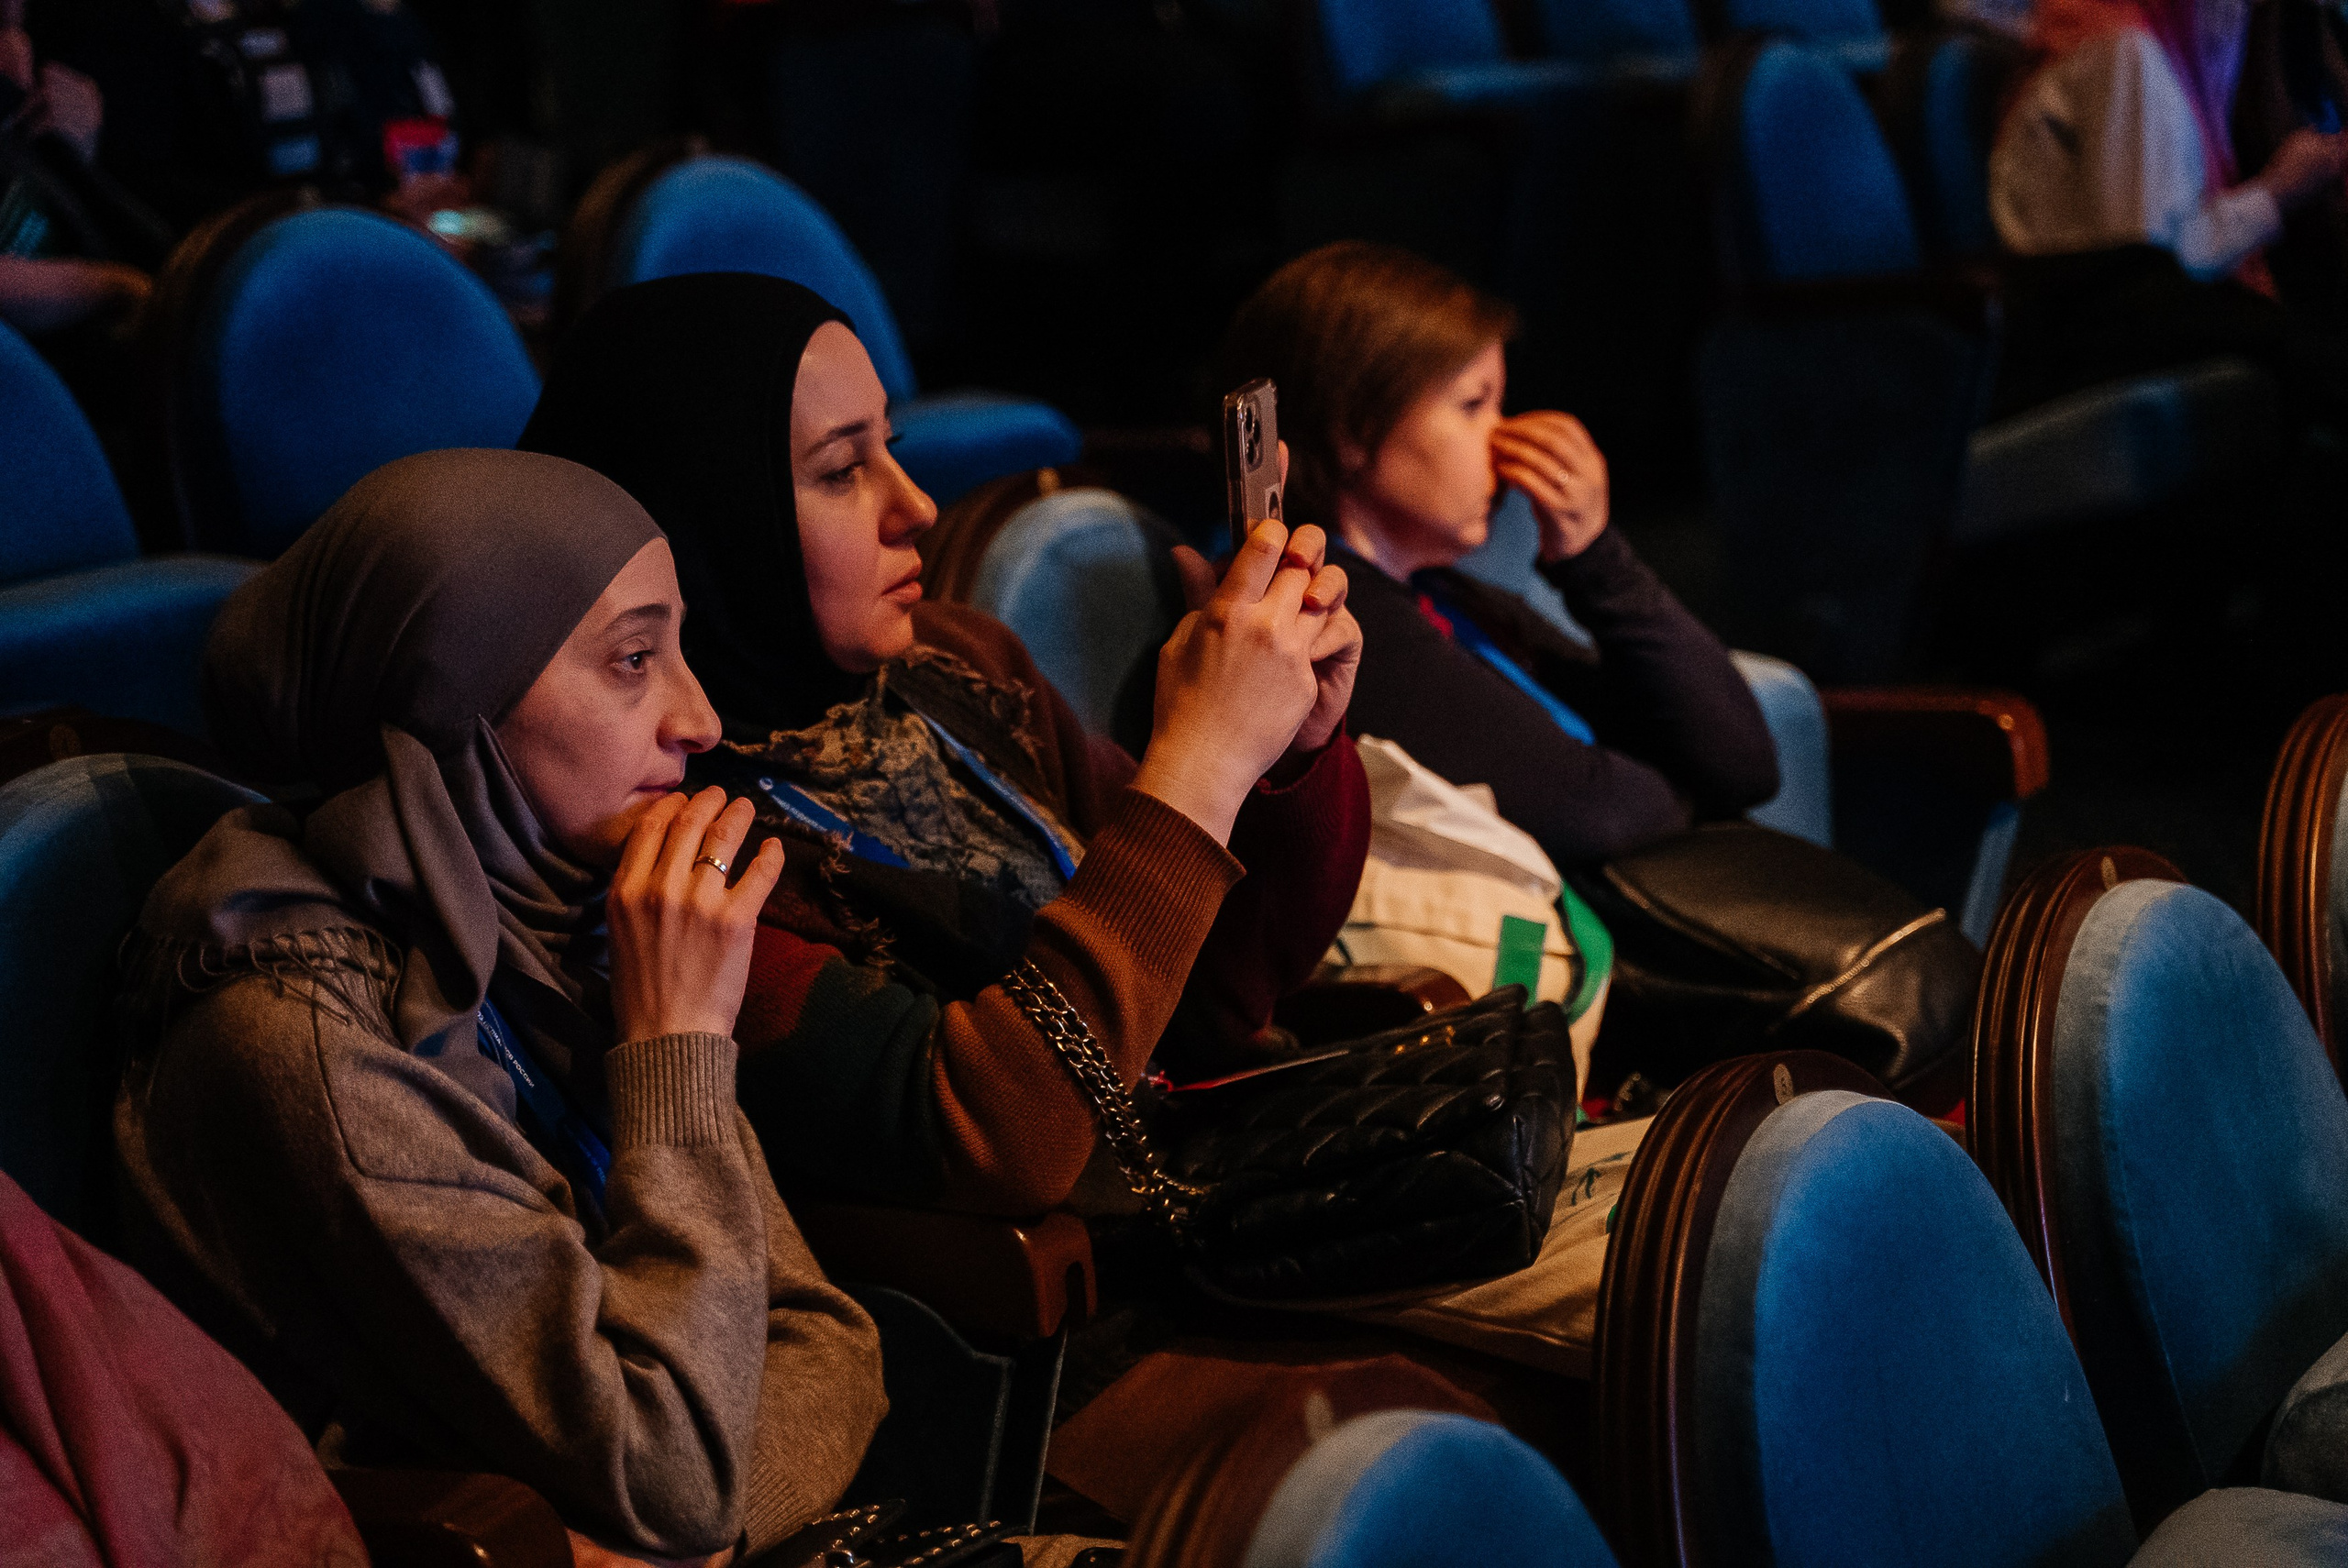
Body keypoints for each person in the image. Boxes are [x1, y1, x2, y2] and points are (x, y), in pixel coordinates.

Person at [113, 448, 886, 1564]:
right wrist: (676, 1047)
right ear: (455, 702)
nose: (702, 719)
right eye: (633, 660)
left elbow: (824, 1336)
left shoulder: (561, 928)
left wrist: (694, 1539)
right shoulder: (303, 1040)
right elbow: (672, 1470)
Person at [519, 271, 1370, 1210]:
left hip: (1220, 1173)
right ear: (716, 514)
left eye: (891, 449)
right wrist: (1200, 761)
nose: (917, 504)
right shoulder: (682, 852)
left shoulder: (953, 661)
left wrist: (1288, 753)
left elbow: (1216, 986)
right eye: (841, 472)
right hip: (1099, 1270)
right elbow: (998, 1141)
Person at [1213, 240, 1778, 877]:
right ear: (1352, 432)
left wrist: (1597, 558)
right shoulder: (1337, 617)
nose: (1505, 436)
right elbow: (1598, 810)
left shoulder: (1447, 594)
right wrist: (1692, 790)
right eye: (1473, 405)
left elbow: (1744, 761)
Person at [1988, 0, 2348, 413]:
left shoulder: (2149, 41)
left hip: (2102, 318)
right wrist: (2277, 193)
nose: (2235, 13)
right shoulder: (2120, 51)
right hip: (2083, 342)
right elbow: (2153, 269)